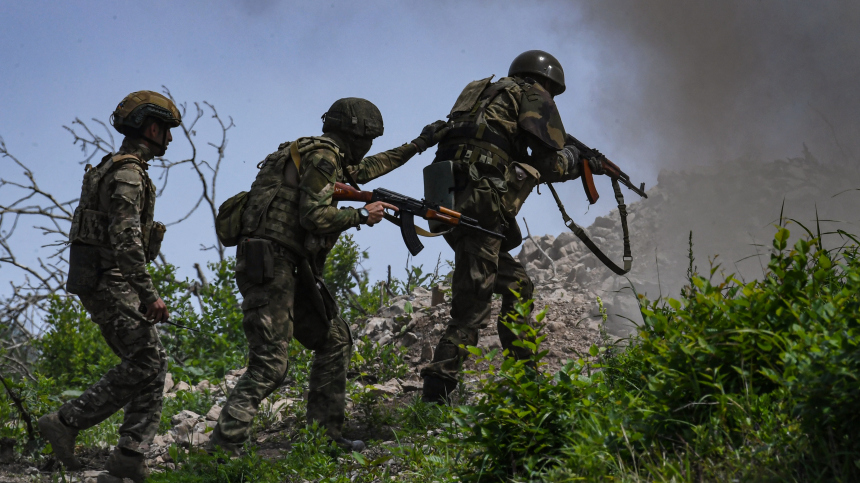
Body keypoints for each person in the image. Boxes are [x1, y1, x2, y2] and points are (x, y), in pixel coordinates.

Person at [206, 97, 449, 455]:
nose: (369, 147)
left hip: (287, 265)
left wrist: (419, 144)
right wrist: (361, 216)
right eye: (369, 139)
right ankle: (222, 450)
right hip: (272, 265)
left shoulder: (313, 154)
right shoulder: (322, 157)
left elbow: (367, 170)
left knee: (335, 338)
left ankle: (324, 438)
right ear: (357, 134)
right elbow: (313, 217)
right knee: (270, 364)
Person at [420, 50, 604, 403]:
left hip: (450, 199)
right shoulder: (533, 96)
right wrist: (576, 160)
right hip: (481, 208)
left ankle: (526, 379)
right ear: (547, 82)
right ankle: (435, 396)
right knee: (472, 306)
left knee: (518, 285)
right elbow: (549, 165)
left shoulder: (484, 94)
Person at [38, 91, 180, 482]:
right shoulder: (128, 173)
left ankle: (130, 455)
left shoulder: (115, 167)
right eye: (166, 131)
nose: (169, 140)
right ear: (152, 128)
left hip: (107, 279)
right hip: (109, 280)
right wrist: (149, 294)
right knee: (148, 361)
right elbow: (126, 239)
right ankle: (66, 422)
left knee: (152, 362)